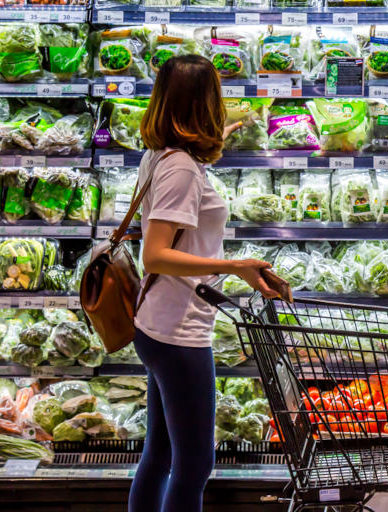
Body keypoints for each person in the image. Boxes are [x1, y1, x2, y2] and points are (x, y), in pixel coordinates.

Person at [129, 54, 278, 512]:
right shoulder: (180, 170)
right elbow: (155, 253)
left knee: (159, 454)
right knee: (194, 465)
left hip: (157, 324)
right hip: (178, 333)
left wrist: (231, 129)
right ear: (204, 103)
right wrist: (233, 267)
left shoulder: (166, 153)